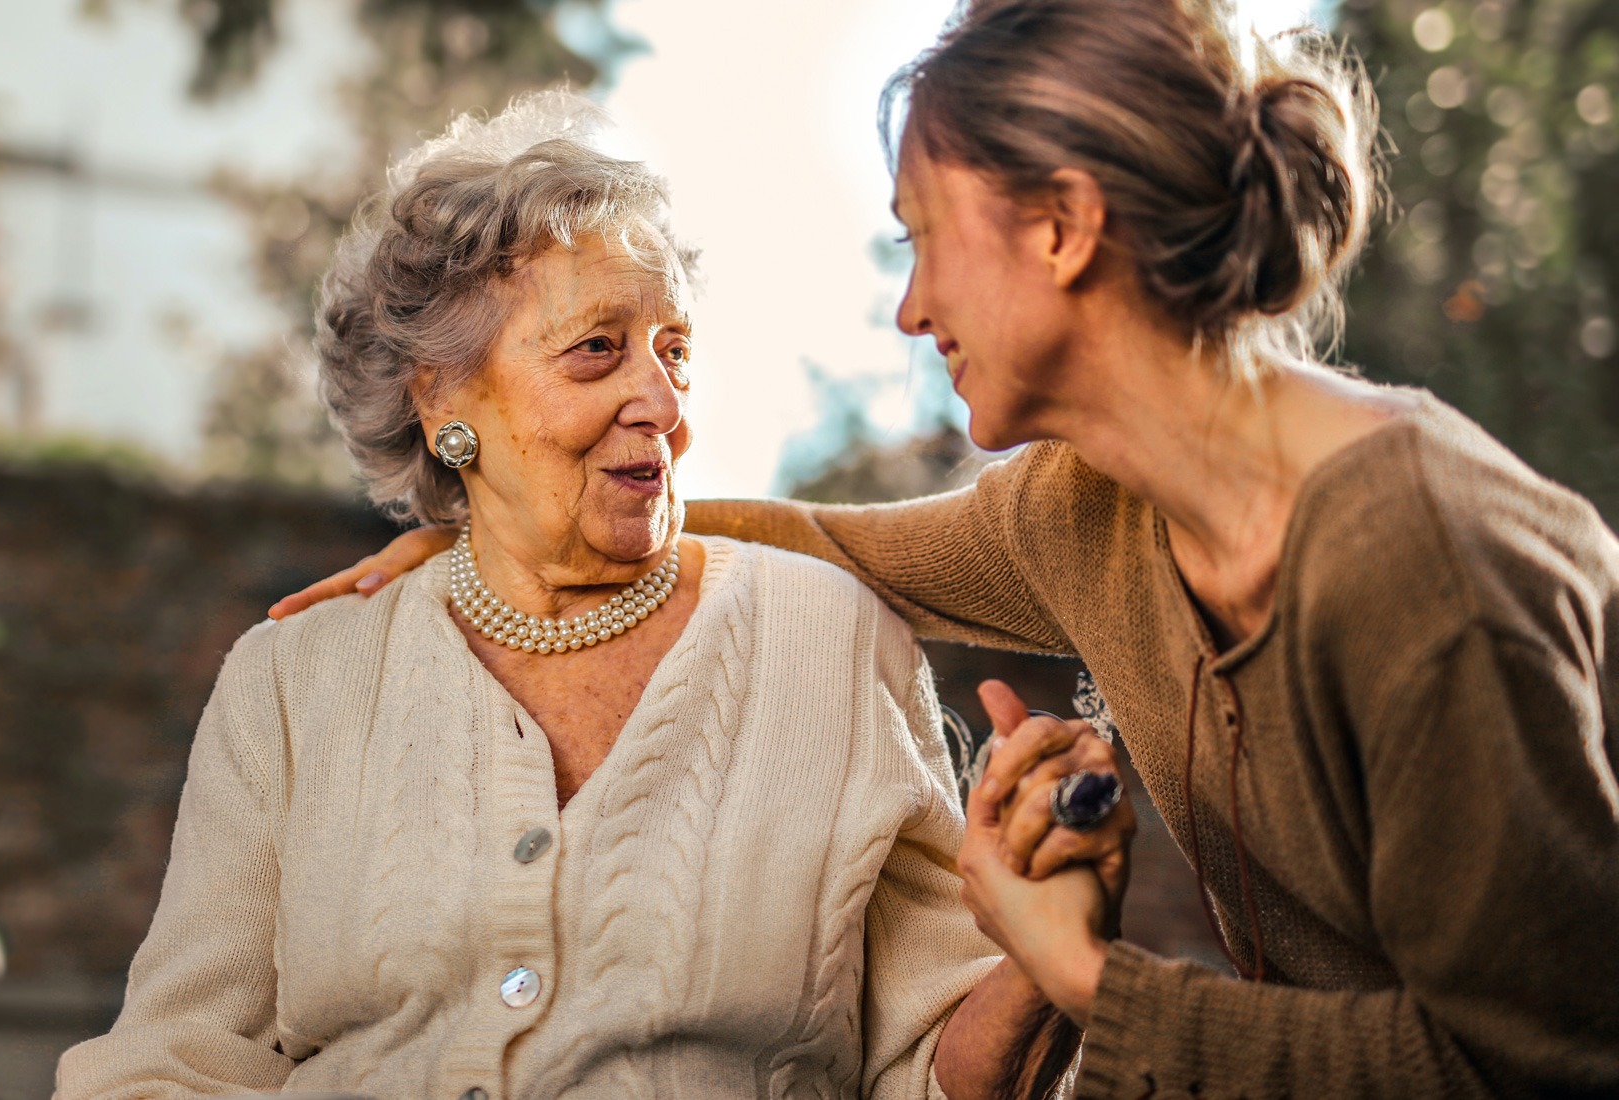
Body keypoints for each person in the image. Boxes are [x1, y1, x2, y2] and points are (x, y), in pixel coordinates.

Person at [270, 3, 1619, 1097]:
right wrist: (496, 535)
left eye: (923, 242)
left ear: (1063, 226)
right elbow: (823, 541)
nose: (910, 310)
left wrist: (1096, 986)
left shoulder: (1421, 567)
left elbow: (1542, 1062)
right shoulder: (1087, 509)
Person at [57, 92, 1113, 1100]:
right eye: (597, 349)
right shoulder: (293, 679)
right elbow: (176, 1060)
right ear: (442, 399)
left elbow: (934, 1070)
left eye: (675, 352)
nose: (658, 403)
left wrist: (1040, 955)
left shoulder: (828, 640)